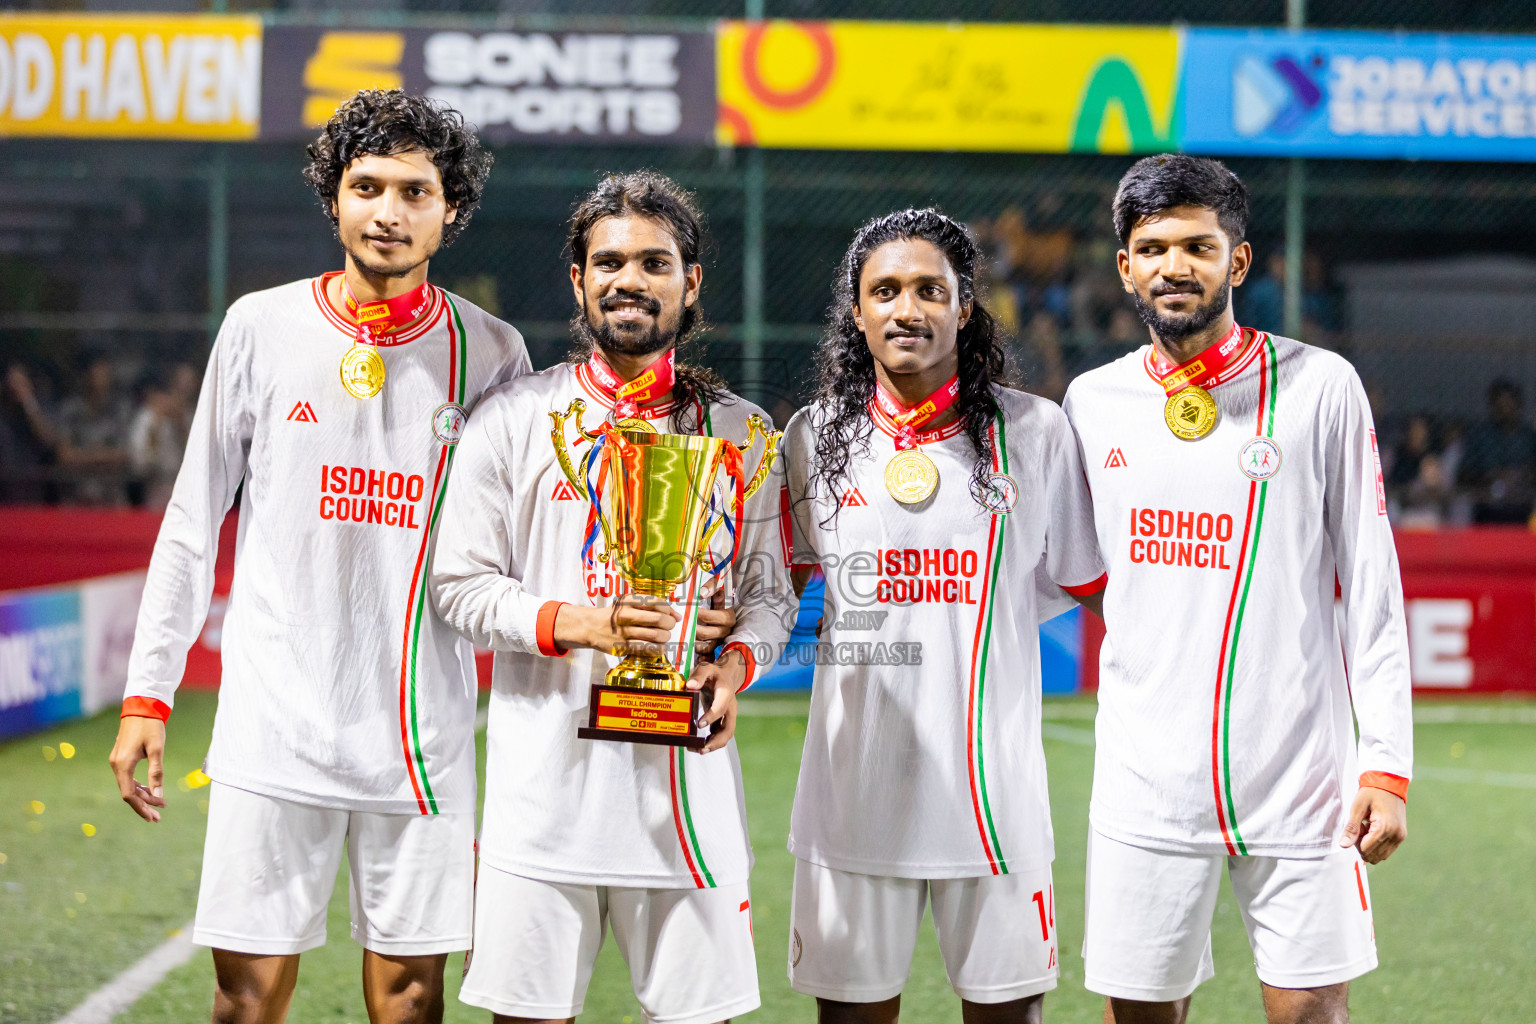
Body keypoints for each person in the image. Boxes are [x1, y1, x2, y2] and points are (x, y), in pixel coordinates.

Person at [108, 89, 529, 1024]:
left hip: (420, 739)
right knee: (245, 997)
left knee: (413, 1002)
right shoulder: (259, 326)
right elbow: (191, 518)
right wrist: (150, 692)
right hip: (274, 727)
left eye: (415, 191)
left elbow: (510, 544)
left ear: (450, 210)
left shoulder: (493, 353)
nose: (389, 211)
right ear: (332, 199)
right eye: (366, 186)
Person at [431, 171, 791, 1024]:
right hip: (544, 807)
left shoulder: (744, 432)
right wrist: (583, 624)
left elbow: (772, 596)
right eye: (609, 262)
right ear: (579, 281)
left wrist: (735, 668)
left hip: (687, 809)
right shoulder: (514, 418)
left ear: (691, 281)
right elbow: (457, 584)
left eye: (654, 263)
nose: (629, 280)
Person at [1059, 154, 1412, 1024]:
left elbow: (1372, 583)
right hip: (1147, 775)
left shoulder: (1322, 386)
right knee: (1140, 1012)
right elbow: (1081, 573)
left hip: (1302, 773)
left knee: (1310, 1012)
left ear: (1238, 262)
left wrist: (1387, 766)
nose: (1174, 266)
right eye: (1153, 248)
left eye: (1197, 245)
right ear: (1125, 268)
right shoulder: (1090, 402)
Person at [780, 208, 1106, 1024]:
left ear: (965, 307)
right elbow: (779, 593)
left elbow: (1074, 581)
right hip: (852, 802)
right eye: (884, 290)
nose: (907, 308)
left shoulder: (1034, 431)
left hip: (994, 806)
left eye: (931, 289)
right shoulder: (812, 439)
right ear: (856, 312)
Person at [1457, 379, 1536, 525]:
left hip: (1522, 504)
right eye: (1500, 404)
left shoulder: (1529, 437)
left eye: (1509, 403)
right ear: (1492, 406)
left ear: (1518, 405)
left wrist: (1520, 475)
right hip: (1486, 504)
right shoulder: (1480, 435)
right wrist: (1489, 476)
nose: (1504, 408)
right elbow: (1463, 474)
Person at [57, 354, 133, 505]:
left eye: (104, 372)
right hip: (76, 497)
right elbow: (65, 455)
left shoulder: (120, 409)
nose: (100, 377)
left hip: (111, 498)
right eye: (96, 372)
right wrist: (104, 456)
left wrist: (84, 456)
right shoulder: (71, 410)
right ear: (85, 375)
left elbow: (123, 456)